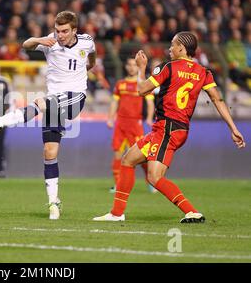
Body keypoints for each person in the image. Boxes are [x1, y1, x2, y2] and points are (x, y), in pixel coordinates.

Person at [93, 32, 246, 223]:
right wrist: (233, 128)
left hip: (167, 128)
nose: (169, 48)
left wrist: (141, 69)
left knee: (154, 177)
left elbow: (141, 90)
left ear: (181, 48)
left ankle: (191, 212)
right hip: (177, 129)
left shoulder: (169, 67)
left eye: (173, 45)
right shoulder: (203, 72)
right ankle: (116, 213)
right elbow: (218, 99)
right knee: (128, 159)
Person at [0, 11, 96, 220]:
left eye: (65, 31)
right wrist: (41, 39)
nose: (61, 35)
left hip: (75, 98)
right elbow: (26, 45)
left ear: (75, 30)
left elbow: (92, 54)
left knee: (41, 102)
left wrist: (90, 66)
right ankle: (53, 202)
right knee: (49, 153)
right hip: (53, 102)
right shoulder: (51, 43)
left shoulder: (86, 41)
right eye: (58, 30)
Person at [108, 57, 156, 194]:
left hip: (136, 124)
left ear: (138, 67)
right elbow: (114, 102)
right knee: (117, 155)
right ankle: (118, 185)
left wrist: (149, 118)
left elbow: (150, 102)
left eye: (134, 65)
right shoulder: (120, 84)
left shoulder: (143, 85)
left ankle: (151, 182)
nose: (131, 67)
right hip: (121, 124)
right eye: (129, 64)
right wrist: (110, 119)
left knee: (141, 157)